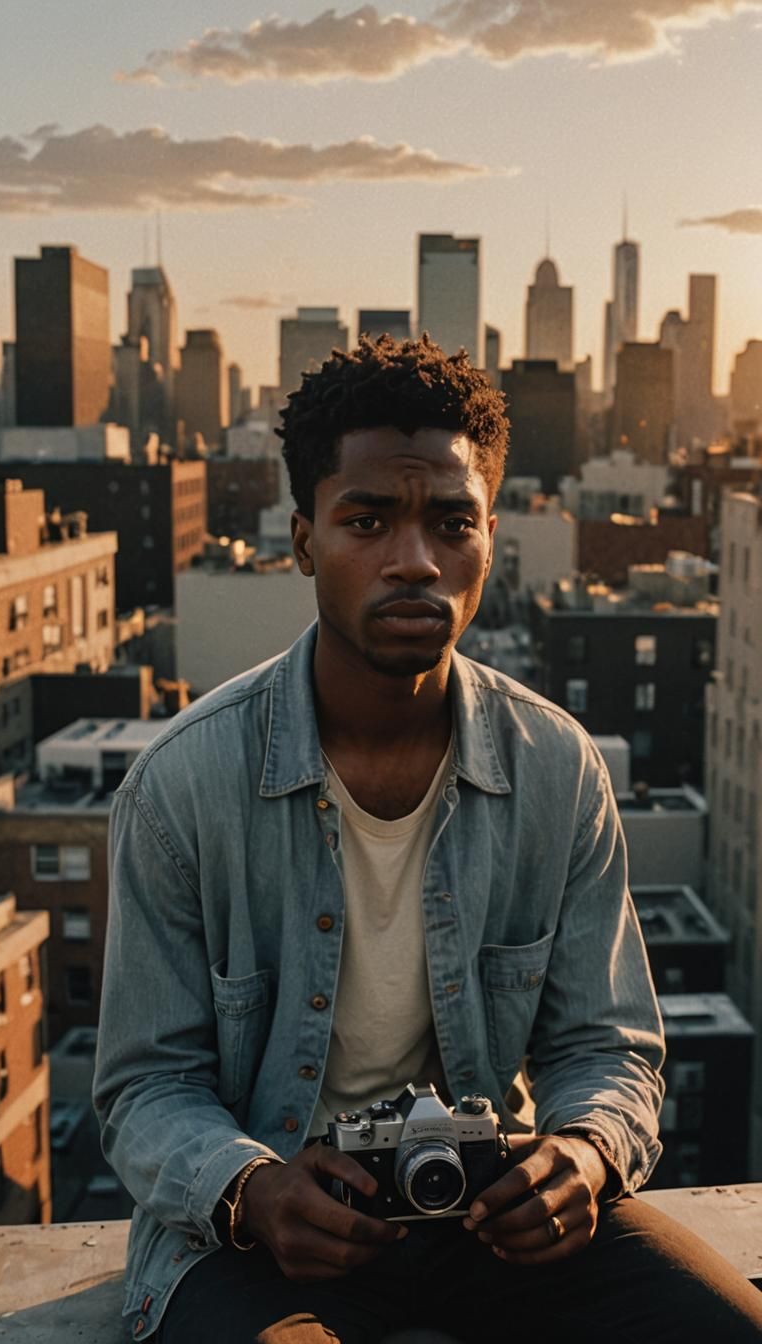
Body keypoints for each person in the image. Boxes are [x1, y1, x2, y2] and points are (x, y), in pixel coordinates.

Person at [94, 335, 762, 1343]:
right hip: (260, 1239)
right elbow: (145, 1084)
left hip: (490, 1217)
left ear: (492, 535)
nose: (414, 560)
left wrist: (580, 1156)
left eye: (451, 522)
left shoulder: (555, 767)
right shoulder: (182, 785)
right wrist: (254, 1190)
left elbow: (608, 1045)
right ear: (303, 538)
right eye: (368, 519)